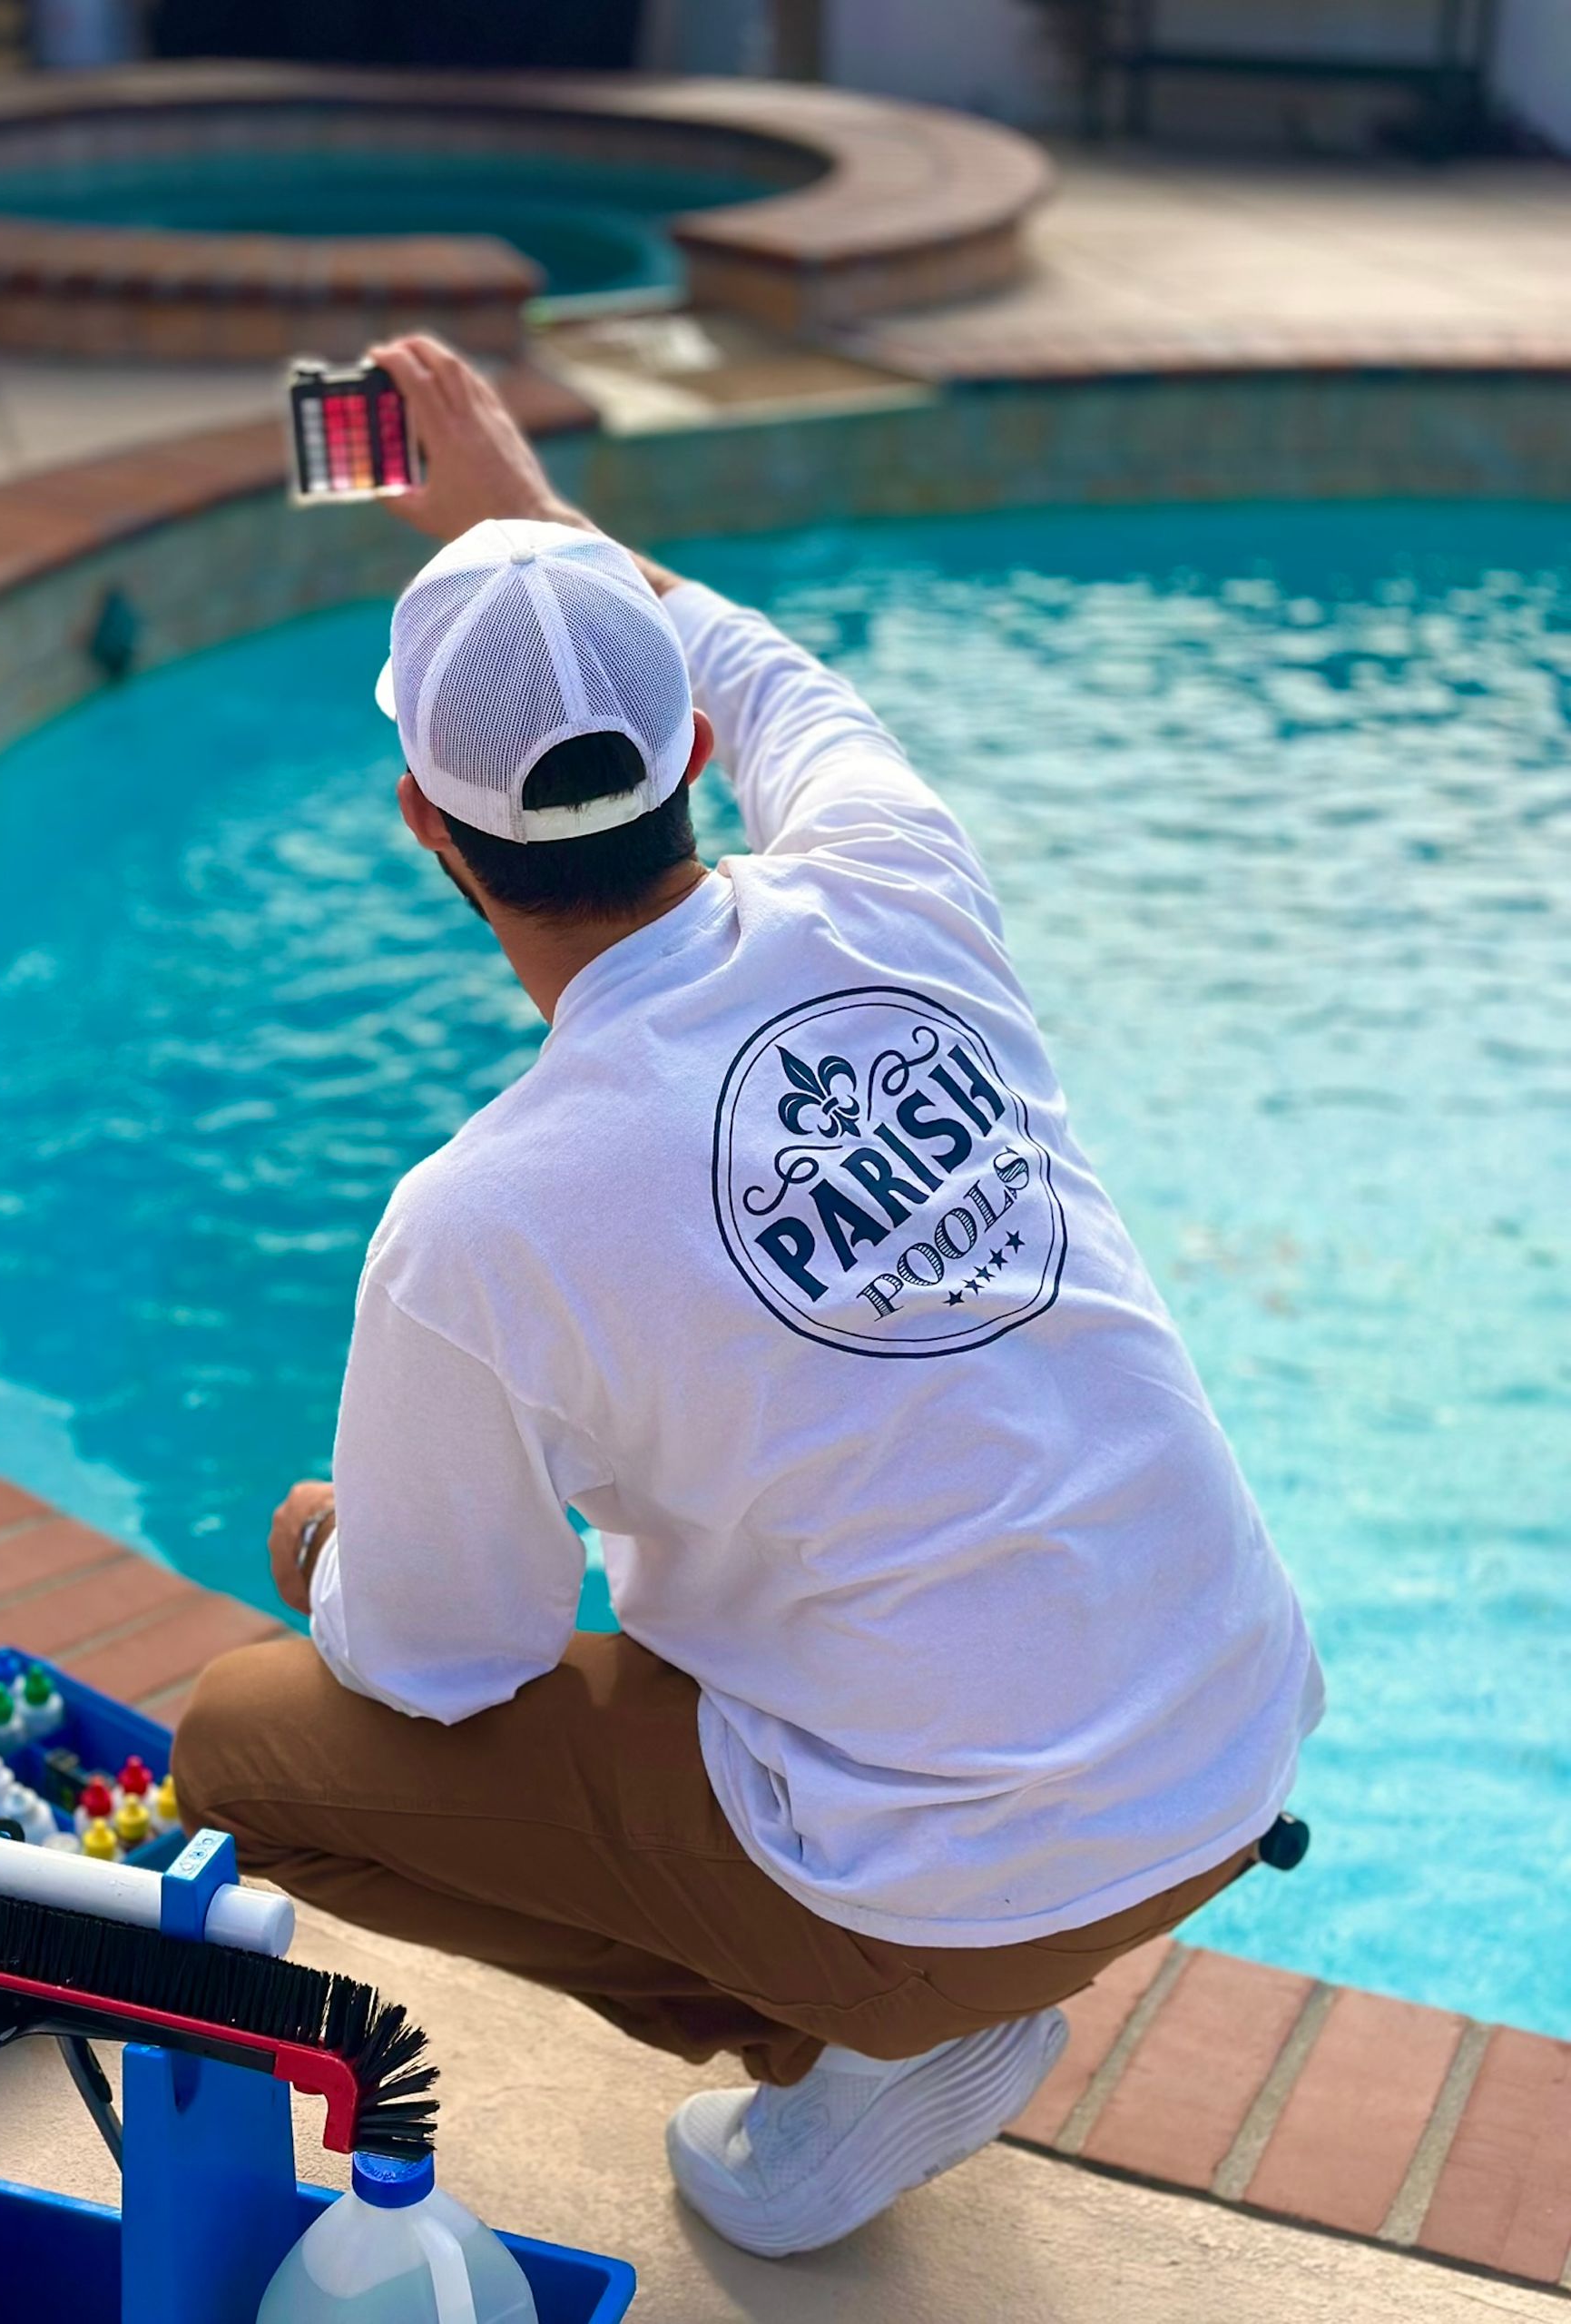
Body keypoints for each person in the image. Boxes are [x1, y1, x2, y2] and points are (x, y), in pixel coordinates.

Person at [172, 334, 1323, 2260]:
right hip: (1228, 1733)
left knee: (247, 1739)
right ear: (695, 755)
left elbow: (442, 1657)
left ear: (425, 831)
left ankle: (843, 2051)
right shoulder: (896, 879)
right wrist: (526, 510)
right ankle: (901, 1998)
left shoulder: (481, 1218)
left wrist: (329, 1554)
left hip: (952, 1889)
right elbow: (770, 666)